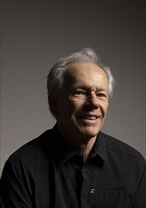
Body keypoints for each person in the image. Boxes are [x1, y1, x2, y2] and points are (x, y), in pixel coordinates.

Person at [0, 48, 146, 208]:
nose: (94, 103)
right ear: (54, 104)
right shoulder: (21, 168)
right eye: (80, 92)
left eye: (101, 95)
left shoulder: (134, 165)